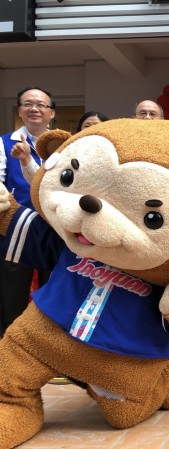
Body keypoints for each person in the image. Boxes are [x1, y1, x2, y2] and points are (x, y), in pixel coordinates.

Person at [0, 86, 55, 337]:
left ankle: (53, 353)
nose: (35, 109)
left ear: (51, 113)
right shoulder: (3, 143)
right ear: (20, 111)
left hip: (54, 228)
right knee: (12, 292)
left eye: (41, 105)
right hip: (15, 228)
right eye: (28, 104)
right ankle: (8, 349)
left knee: (53, 291)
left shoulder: (63, 145)